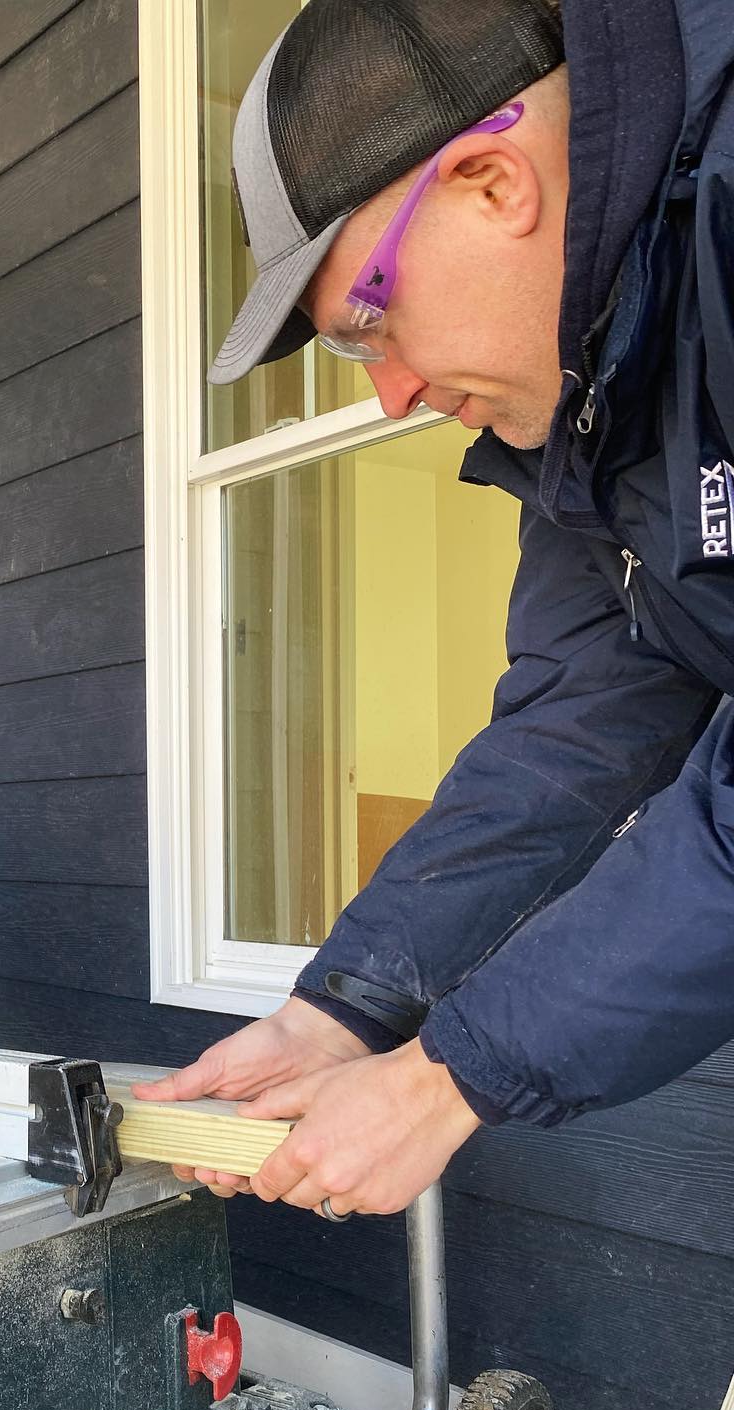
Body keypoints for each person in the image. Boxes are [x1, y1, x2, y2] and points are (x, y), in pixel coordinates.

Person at [134, 0, 733, 1221]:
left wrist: (452, 1077)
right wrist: (341, 1010)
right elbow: (571, 731)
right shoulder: (588, 399)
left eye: (369, 324)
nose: (397, 393)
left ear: (491, 182)